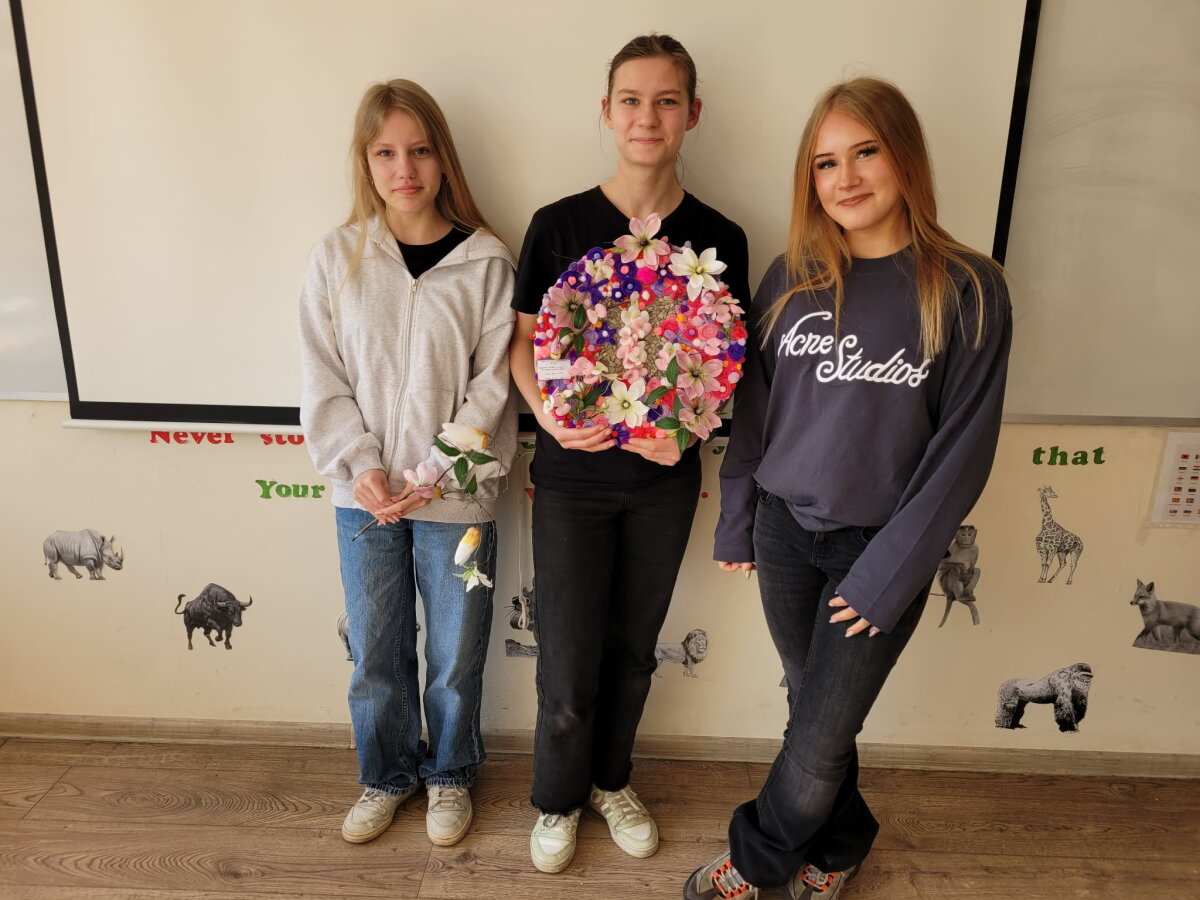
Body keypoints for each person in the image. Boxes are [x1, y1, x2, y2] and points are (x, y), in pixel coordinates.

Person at [685, 77, 1012, 899]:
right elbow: (754, 414)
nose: (846, 177)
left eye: (866, 152)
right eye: (825, 162)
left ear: (905, 157)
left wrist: (887, 577)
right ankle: (841, 847)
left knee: (820, 734)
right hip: (784, 532)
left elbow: (961, 455)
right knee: (815, 715)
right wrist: (736, 518)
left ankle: (754, 863)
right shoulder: (790, 277)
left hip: (879, 550)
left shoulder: (968, 288)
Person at [508, 34, 750, 874]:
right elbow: (521, 343)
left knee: (634, 651)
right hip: (571, 478)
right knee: (568, 655)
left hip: (663, 482)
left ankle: (612, 782)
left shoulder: (720, 237)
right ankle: (556, 798)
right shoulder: (558, 225)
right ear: (606, 112)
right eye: (632, 100)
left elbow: (726, 366)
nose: (648, 117)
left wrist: (689, 429)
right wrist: (548, 419)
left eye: (666, 101)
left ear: (693, 113)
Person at [299, 79, 516, 849]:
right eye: (386, 152)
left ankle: (450, 774)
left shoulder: (488, 262)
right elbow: (321, 373)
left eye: (420, 150)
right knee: (376, 650)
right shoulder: (337, 258)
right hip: (363, 499)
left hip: (456, 497)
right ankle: (386, 776)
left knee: (454, 652)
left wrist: (437, 469)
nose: (405, 169)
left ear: (443, 157)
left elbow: (494, 381)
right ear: (365, 161)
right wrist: (359, 464)